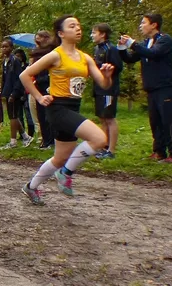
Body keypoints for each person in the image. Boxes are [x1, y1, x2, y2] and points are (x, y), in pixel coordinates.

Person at [20, 15, 114, 205]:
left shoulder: (85, 58)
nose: (78, 28)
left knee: (60, 157)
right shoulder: (56, 55)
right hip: (58, 109)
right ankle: (65, 173)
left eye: (79, 25)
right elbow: (25, 75)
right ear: (61, 33)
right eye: (72, 26)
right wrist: (39, 97)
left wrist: (107, 76)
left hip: (73, 107)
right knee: (99, 139)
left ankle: (31, 187)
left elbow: (104, 84)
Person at [119, 14, 172, 163]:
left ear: (154, 25)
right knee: (156, 122)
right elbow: (129, 59)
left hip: (165, 87)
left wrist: (133, 43)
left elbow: (154, 54)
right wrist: (122, 48)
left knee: (170, 121)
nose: (141, 26)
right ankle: (159, 151)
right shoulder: (146, 42)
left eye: (143, 23)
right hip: (152, 88)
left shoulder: (165, 40)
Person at [91, 23, 123, 159]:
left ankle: (111, 150)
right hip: (98, 88)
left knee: (109, 118)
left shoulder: (111, 49)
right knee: (102, 118)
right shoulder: (97, 49)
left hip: (109, 89)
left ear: (103, 34)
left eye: (94, 32)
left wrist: (106, 72)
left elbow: (118, 67)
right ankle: (103, 147)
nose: (92, 35)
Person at [0, 39, 33, 149]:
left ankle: (13, 141)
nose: (4, 49)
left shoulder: (15, 61)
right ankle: (25, 136)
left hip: (14, 92)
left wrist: (14, 93)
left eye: (6, 47)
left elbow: (19, 78)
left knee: (13, 116)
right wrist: (2, 89)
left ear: (11, 48)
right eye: (2, 47)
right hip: (7, 91)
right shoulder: (5, 61)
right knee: (13, 115)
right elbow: (5, 78)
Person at [30, 31, 55, 150]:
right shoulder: (36, 53)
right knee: (40, 115)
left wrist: (41, 80)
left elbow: (51, 73)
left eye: (39, 36)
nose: (37, 38)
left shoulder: (51, 53)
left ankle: (51, 141)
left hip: (48, 86)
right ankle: (45, 141)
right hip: (38, 87)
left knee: (48, 115)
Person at [14, 49, 35, 141]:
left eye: (19, 56)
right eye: (16, 56)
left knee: (29, 115)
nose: (17, 58)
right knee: (19, 115)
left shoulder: (27, 66)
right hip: (18, 93)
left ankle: (31, 133)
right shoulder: (14, 67)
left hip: (26, 93)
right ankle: (22, 134)